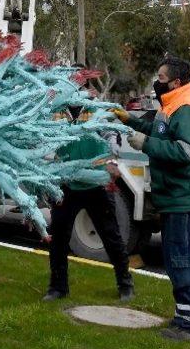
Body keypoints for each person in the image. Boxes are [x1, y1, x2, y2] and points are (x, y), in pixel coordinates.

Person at [116, 55, 190, 341]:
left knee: (180, 261)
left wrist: (145, 145)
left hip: (186, 198)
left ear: (176, 81)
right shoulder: (170, 106)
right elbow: (160, 133)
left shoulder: (185, 109)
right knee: (186, 261)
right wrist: (131, 121)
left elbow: (183, 153)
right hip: (179, 197)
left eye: (160, 78)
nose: (155, 83)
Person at [43, 87, 134, 303]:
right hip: (67, 184)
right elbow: (46, 139)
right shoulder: (56, 110)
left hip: (96, 184)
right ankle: (58, 287)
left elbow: (112, 134)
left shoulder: (97, 109)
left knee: (111, 236)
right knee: (58, 238)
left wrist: (112, 159)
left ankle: (125, 284)